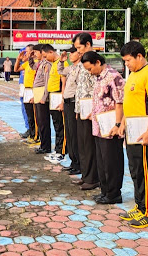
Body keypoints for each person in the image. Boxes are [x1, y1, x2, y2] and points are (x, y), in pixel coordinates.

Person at [118, 41, 148, 228]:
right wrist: (123, 124)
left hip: (144, 131)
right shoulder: (133, 75)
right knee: (135, 171)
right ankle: (139, 205)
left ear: (139, 56)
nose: (126, 64)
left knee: (144, 172)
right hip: (132, 130)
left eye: (128, 60)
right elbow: (129, 103)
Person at [82, 51, 125, 204]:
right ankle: (105, 191)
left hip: (111, 127)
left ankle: (114, 194)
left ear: (98, 63)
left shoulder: (114, 77)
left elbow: (120, 102)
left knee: (111, 162)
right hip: (99, 127)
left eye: (90, 69)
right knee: (102, 162)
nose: (90, 72)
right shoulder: (99, 77)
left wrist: (118, 124)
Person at [72, 32, 100, 191]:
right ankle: (85, 175)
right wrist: (77, 109)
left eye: (79, 47)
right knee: (82, 145)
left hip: (91, 110)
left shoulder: (94, 62)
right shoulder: (82, 63)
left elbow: (97, 89)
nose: (78, 51)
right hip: (81, 109)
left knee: (89, 146)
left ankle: (92, 178)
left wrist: (93, 110)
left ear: (88, 44)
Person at [42, 44, 68, 162]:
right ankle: (57, 149)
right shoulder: (53, 64)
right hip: (53, 97)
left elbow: (64, 84)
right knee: (56, 124)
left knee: (61, 126)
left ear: (51, 52)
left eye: (45, 55)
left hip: (58, 96)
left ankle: (61, 151)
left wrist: (63, 100)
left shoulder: (62, 64)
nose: (45, 58)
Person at [58, 47, 81, 176]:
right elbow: (60, 71)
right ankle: (73, 162)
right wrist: (61, 61)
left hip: (74, 103)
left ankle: (78, 163)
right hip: (67, 102)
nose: (70, 55)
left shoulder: (81, 68)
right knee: (69, 133)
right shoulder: (71, 68)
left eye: (73, 52)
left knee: (74, 134)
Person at [30, 44, 52, 154]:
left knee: (44, 122)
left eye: (36, 52)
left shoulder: (47, 65)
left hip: (42, 95)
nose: (35, 54)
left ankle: (46, 146)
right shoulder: (40, 64)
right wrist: (30, 57)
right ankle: (43, 145)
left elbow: (47, 82)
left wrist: (44, 97)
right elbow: (32, 66)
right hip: (38, 94)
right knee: (40, 121)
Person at [14, 45, 36, 141]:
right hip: (25, 88)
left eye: (25, 52)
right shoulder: (26, 64)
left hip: (33, 90)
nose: (24, 54)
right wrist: (18, 59)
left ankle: (34, 133)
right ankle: (29, 130)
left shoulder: (35, 64)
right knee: (25, 111)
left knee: (33, 113)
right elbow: (16, 69)